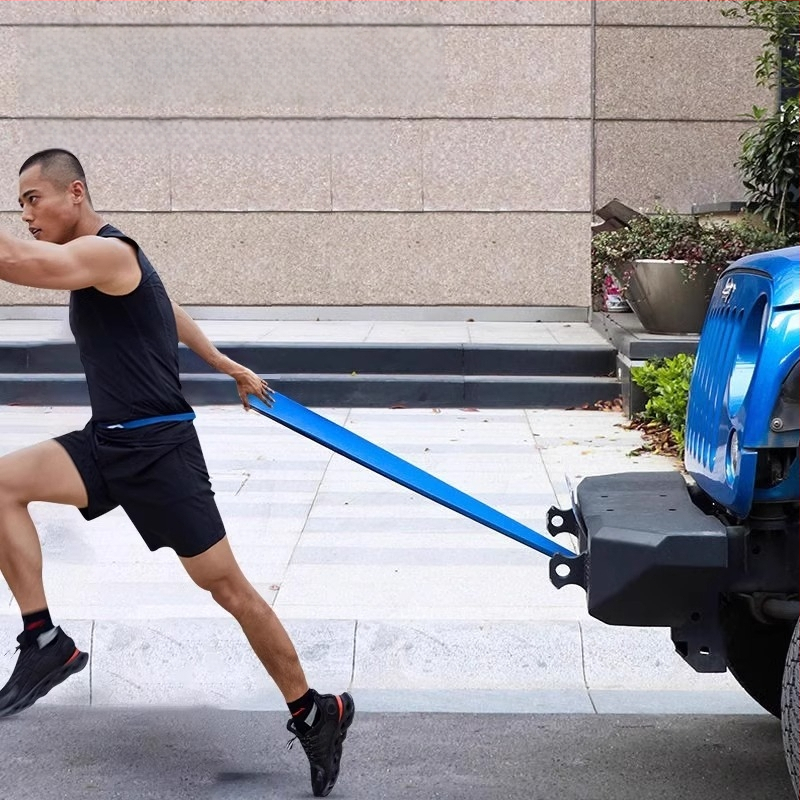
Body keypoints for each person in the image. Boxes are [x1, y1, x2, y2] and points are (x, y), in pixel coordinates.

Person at [0, 149, 353, 798]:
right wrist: (225, 363)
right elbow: (165, 310)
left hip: (161, 453)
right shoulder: (114, 264)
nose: (24, 214)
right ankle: (43, 639)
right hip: (108, 444)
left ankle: (315, 711)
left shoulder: (108, 253)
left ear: (74, 193)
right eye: (19, 203)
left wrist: (221, 366)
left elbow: (16, 264)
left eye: (32, 199)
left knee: (228, 590)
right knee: (1, 485)